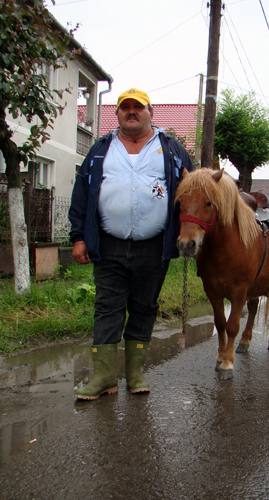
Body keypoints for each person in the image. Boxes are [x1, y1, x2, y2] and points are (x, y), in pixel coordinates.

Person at [69, 88, 194, 400]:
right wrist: (79, 237)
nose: (131, 112)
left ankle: (135, 372)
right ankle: (103, 377)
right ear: (118, 114)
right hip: (109, 244)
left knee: (143, 307)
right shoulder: (100, 148)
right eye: (125, 107)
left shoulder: (172, 149)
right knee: (107, 307)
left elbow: (192, 192)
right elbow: (82, 194)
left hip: (154, 246)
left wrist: (188, 234)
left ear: (150, 112)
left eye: (138, 107)